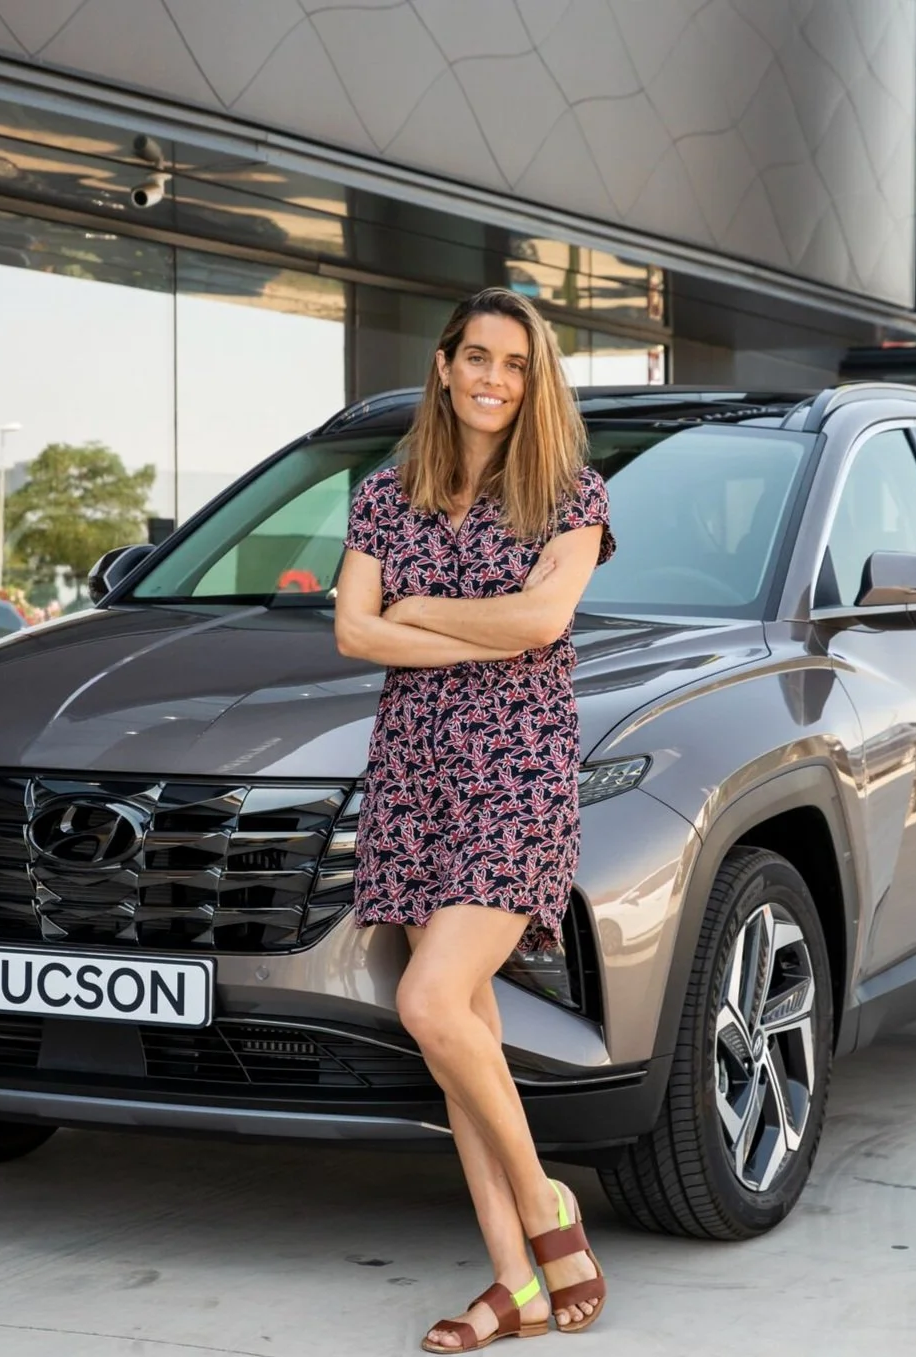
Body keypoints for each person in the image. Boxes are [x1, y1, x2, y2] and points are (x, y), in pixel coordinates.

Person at [334, 287, 615, 1351]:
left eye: (515, 363)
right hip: (413, 777)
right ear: (444, 365)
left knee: (430, 998)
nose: (495, 377)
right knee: (466, 1041)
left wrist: (419, 613)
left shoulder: (569, 496)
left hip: (518, 774)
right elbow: (354, 637)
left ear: (533, 381)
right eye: (478, 357)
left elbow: (544, 619)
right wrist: (479, 633)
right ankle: (515, 1285)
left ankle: (549, 1209)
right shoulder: (383, 495)